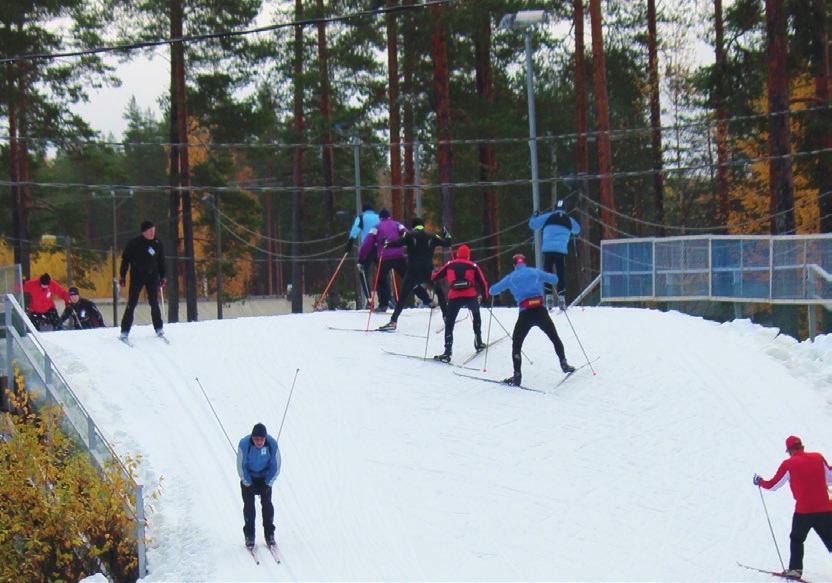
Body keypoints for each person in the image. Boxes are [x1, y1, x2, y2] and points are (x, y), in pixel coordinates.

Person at [488, 253, 575, 385]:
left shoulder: (510, 278)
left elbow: (492, 291)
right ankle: (564, 363)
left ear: (514, 264)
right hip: (540, 311)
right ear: (525, 263)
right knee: (554, 337)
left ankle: (517, 376)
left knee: (516, 345)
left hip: (525, 314)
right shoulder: (535, 272)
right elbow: (555, 279)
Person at [753, 435, 832, 579]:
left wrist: (760, 482)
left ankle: (795, 571)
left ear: (789, 450)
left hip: (804, 511)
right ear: (801, 446)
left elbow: (773, 485)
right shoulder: (818, 458)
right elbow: (830, 477)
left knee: (797, 538)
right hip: (825, 510)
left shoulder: (788, 464)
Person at [377, 217, 451, 331]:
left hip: (413, 271)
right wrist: (447, 233)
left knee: (402, 297)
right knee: (439, 292)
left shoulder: (409, 235)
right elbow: (447, 243)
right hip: (428, 270)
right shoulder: (431, 235)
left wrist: (385, 243)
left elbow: (396, 243)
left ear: (413, 226)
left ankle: (393, 321)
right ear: (423, 226)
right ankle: (447, 317)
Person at [429, 244, 489, 362]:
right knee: (476, 316)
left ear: (457, 254)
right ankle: (478, 341)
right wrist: (486, 298)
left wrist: (432, 274)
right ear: (468, 255)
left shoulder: (450, 264)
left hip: (454, 297)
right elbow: (483, 282)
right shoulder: (473, 265)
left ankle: (447, 351)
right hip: (470, 296)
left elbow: (435, 276)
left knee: (449, 324)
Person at [527, 199, 581, 309]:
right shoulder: (568, 219)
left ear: (555, 208)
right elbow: (577, 230)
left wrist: (535, 215)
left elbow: (533, 225)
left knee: (547, 273)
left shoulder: (548, 216)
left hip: (548, 249)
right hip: (561, 251)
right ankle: (561, 298)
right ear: (565, 209)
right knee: (560, 273)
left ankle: (549, 298)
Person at [119, 220, 166, 340]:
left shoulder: (157, 243)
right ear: (144, 232)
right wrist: (122, 275)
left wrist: (163, 276)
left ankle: (159, 328)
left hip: (152, 276)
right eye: (150, 231)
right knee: (132, 303)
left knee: (154, 303)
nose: (152, 233)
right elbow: (125, 260)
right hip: (137, 276)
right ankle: (125, 330)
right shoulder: (134, 243)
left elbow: (161, 261)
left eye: (154, 230)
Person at [237, 422, 281, 549]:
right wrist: (248, 483)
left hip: (264, 479)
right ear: (252, 438)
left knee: (267, 505)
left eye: (261, 439)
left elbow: (276, 466)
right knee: (249, 507)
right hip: (249, 479)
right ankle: (249, 536)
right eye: (256, 439)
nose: (259, 442)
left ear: (265, 438)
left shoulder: (272, 444)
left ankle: (270, 534)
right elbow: (241, 466)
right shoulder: (244, 444)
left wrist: (268, 484)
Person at [358, 208, 407, 313]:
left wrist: (361, 258)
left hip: (384, 257)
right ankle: (426, 299)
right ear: (389, 216)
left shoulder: (376, 227)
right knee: (408, 277)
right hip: (399, 256)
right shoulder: (397, 224)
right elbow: (407, 233)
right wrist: (405, 245)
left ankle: (383, 304)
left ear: (380, 218)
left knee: (380, 280)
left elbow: (366, 244)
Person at [345, 204, 381, 302]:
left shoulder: (361, 217)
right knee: (382, 272)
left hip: (367, 248)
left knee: (363, 271)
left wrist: (350, 242)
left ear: (364, 210)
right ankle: (385, 299)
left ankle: (369, 299)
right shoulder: (379, 217)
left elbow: (355, 229)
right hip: (380, 248)